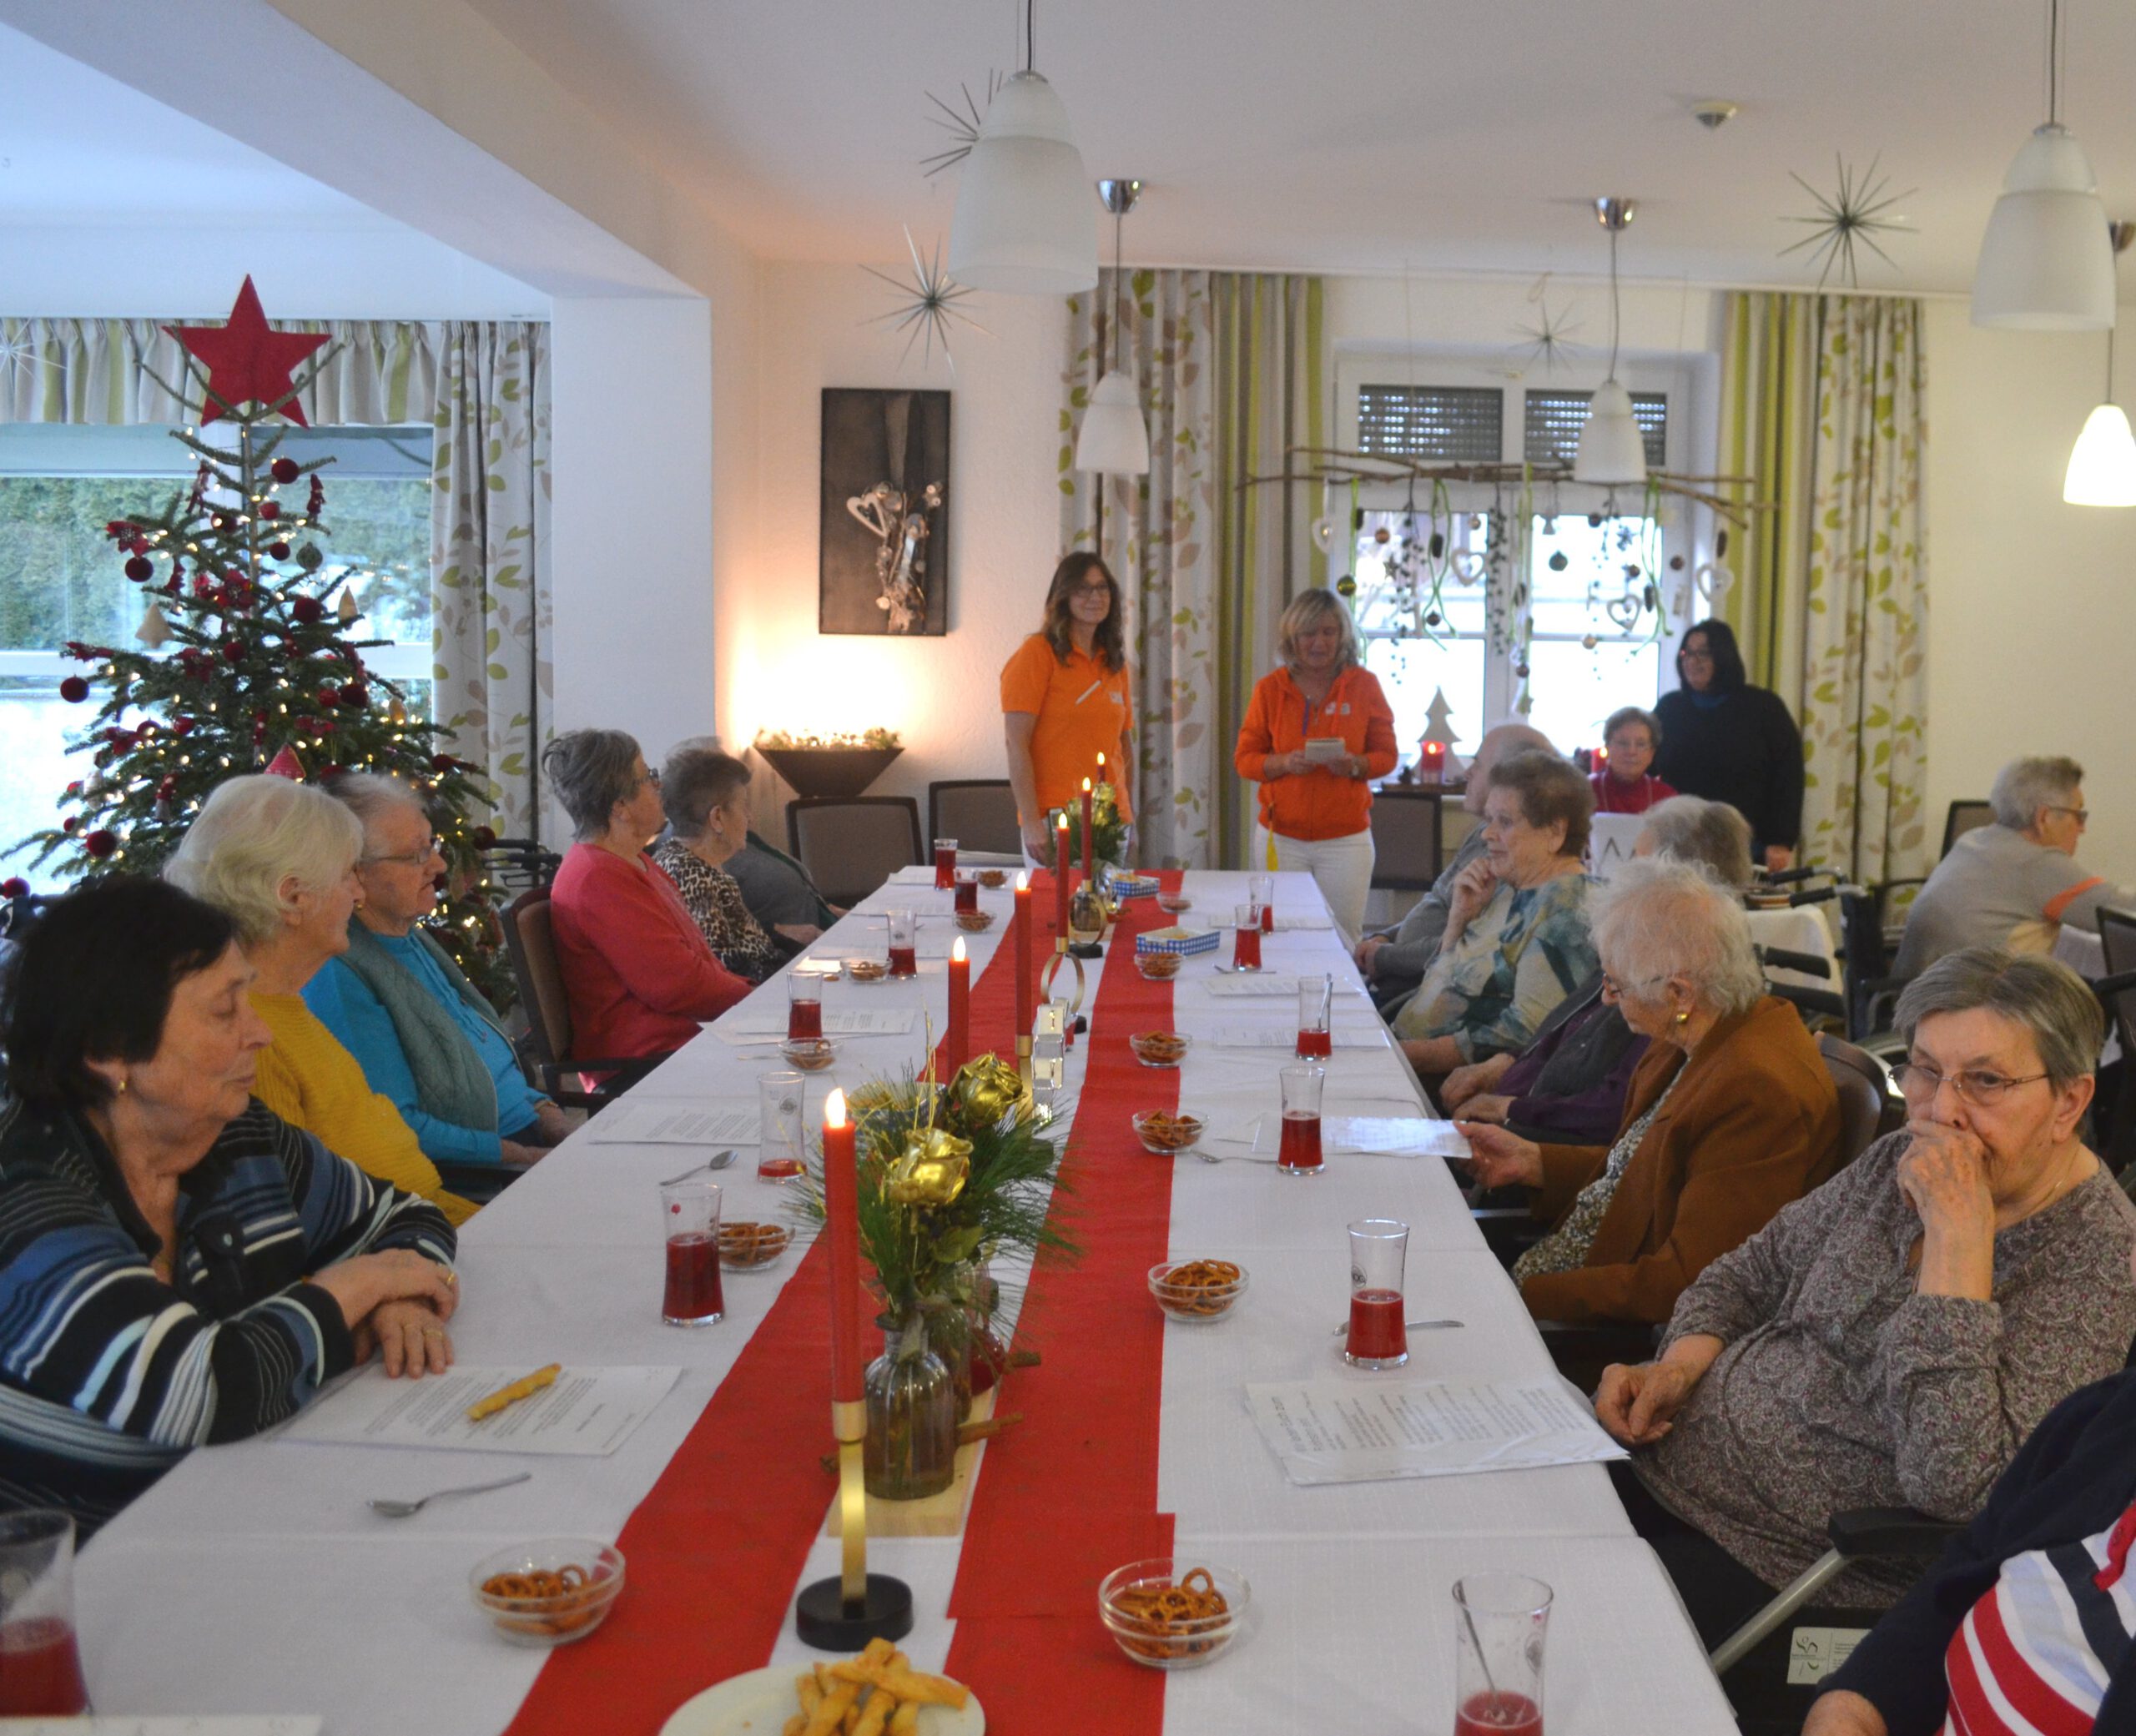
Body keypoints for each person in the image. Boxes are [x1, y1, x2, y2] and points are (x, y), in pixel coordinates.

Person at [1595, 949, 2136, 1645]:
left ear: (2069, 1100)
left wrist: (1957, 1241)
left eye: (1986, 1082)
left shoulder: (2098, 1258)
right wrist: (1676, 1368)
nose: (1943, 1110)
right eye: (1926, 1070)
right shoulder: (1897, 1161)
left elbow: (1958, 1488)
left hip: (1798, 1572)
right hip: (1665, 1463)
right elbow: (1747, 1273)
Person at [0, 878, 459, 1536]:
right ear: (110, 1051)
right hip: (82, 1580)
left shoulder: (234, 1135)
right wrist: (361, 1282)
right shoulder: (26, 1193)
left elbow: (404, 1215)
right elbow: (201, 1392)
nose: (262, 1032)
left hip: (253, 1512)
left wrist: (401, 1300)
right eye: (225, 1011)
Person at [1458, 855, 1841, 1324]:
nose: (1605, 998)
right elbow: (1642, 1175)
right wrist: (1534, 1163)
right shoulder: (1685, 1038)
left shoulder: (1758, 1093)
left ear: (1680, 994)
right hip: (1566, 1284)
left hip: (1595, 1334)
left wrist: (1517, 1300)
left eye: (1616, 984)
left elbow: (1693, 1284)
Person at [166, 776, 476, 1227]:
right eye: (348, 873)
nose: (358, 892)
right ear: (293, 897)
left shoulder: (289, 1007)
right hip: (406, 1261)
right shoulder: (251, 1042)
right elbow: (295, 1234)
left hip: (437, 1231)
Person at [1808, 1341, 2136, 1735]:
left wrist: (1954, 1281)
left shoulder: (2079, 1303)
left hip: (1792, 1555)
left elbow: (1950, 1481)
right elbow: (1980, 1551)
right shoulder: (2117, 1411)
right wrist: (1851, 1708)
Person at [1443, 795, 1756, 1146]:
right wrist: (1503, 1064)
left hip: (1536, 1141)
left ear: (1677, 883)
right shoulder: (1632, 953)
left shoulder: (1666, 985)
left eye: (1637, 861)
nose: (1619, 873)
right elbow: (1563, 1031)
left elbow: (1613, 1111)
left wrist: (1514, 1110)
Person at [302, 773, 567, 1171]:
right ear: (355, 873)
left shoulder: (411, 936)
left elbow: (492, 1064)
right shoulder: (341, 972)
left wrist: (552, 1118)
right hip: (475, 1174)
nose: (439, 865)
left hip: (525, 1139)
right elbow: (397, 1125)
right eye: (416, 855)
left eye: (433, 846)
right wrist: (525, 1157)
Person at [542, 729, 752, 1065]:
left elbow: (693, 967)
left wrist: (757, 995)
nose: (659, 786)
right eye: (648, 777)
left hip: (682, 1042)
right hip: (646, 1059)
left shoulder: (629, 861)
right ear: (620, 807)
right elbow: (678, 986)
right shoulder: (598, 878)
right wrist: (761, 1000)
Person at [1392, 750, 1597, 1077]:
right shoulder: (1507, 888)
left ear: (1556, 832)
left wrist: (1399, 1057)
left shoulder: (1566, 909)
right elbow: (1439, 987)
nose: (1487, 834)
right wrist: (1458, 922)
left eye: (1504, 821)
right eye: (1489, 819)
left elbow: (1524, 1033)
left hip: (1443, 1083)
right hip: (1408, 1060)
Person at [1232, 588, 1398, 939]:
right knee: (1279, 935)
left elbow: (1387, 756)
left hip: (1345, 841)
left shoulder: (1364, 686)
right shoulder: (1270, 690)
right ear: (1293, 639)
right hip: (1282, 839)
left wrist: (1355, 765)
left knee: (1343, 937)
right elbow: (1245, 761)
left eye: (1328, 632)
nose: (1319, 642)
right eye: (1309, 633)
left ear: (1342, 636)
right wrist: (1284, 763)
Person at [1355, 721, 1556, 1009]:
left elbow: (1462, 943)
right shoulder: (1481, 833)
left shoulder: (1508, 852)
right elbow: (1435, 901)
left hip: (1417, 993)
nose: (1466, 772)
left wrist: (1381, 955)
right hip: (1395, 979)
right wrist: (1385, 936)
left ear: (1511, 775)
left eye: (1477, 763)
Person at [1893, 753, 2136, 979]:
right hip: (1965, 1006)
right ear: (2044, 818)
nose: (2082, 828)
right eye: (2078, 815)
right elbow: (2123, 911)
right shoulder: (2038, 864)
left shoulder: (1974, 839)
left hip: (1916, 994)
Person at [1000, 551, 1135, 863]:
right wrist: (1032, 822)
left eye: (1102, 588)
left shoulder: (1115, 662)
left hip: (1112, 818)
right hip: (1055, 817)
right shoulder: (1037, 653)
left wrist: (1129, 815)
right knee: (1055, 912)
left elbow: (1123, 745)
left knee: (1111, 912)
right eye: (1083, 588)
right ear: (1063, 596)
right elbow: (1015, 743)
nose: (1095, 597)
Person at [1652, 618, 1805, 872]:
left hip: (1745, 845)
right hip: (1678, 843)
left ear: (1724, 656)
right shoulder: (1670, 709)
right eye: (1686, 653)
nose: (1692, 660)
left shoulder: (1763, 707)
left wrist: (1781, 840)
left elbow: (1788, 777)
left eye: (1703, 653)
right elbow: (1647, 764)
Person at [650, 743, 786, 983]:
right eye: (744, 806)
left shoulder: (695, 862)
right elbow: (726, 969)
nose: (750, 818)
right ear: (717, 818)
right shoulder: (691, 874)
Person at [1589, 705, 1676, 815]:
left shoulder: (1667, 798)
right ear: (1607, 747)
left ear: (1651, 753)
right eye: (1623, 743)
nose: (1631, 752)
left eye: (1641, 744)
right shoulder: (1585, 792)